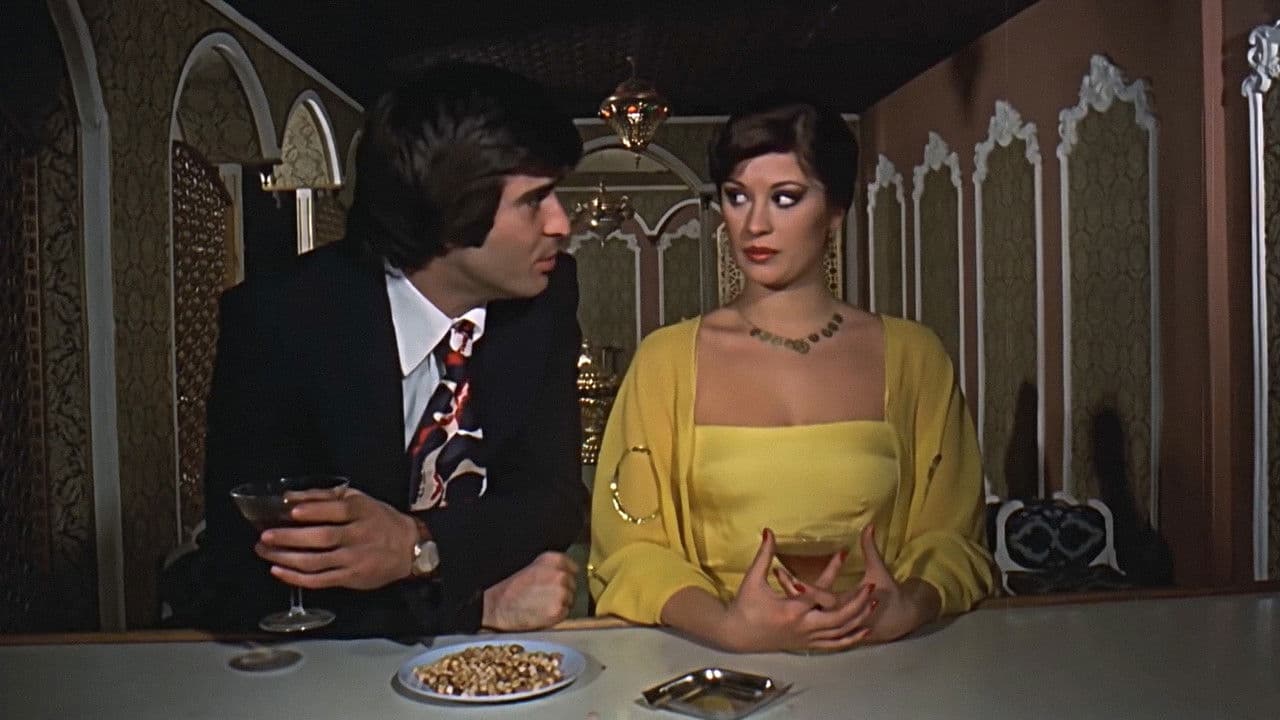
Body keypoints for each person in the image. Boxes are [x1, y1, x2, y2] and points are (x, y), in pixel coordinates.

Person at [587, 95, 994, 653]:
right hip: (715, 658)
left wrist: (908, 606)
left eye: (785, 198)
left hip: (882, 657)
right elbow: (629, 550)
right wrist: (729, 626)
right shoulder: (666, 362)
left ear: (835, 212)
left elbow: (954, 538)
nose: (755, 224)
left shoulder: (915, 358)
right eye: (737, 197)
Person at [194, 63, 587, 638]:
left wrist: (415, 544)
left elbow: (552, 501)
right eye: (536, 200)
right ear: (450, 214)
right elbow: (260, 574)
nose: (561, 224)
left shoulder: (545, 298)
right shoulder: (281, 321)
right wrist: (468, 606)